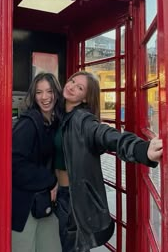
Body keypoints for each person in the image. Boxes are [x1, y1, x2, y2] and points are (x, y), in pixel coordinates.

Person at [54, 71, 163, 252]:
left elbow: (107, 135)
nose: (71, 86)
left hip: (74, 200)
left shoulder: (82, 120)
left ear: (85, 98)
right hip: (59, 194)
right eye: (72, 81)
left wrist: (141, 149)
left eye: (79, 87)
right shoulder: (61, 115)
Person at [12, 72, 63, 252]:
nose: (45, 97)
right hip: (24, 205)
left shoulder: (52, 121)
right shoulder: (28, 123)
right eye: (39, 92)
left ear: (56, 93)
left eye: (49, 91)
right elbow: (14, 163)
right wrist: (50, 181)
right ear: (33, 96)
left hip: (44, 202)